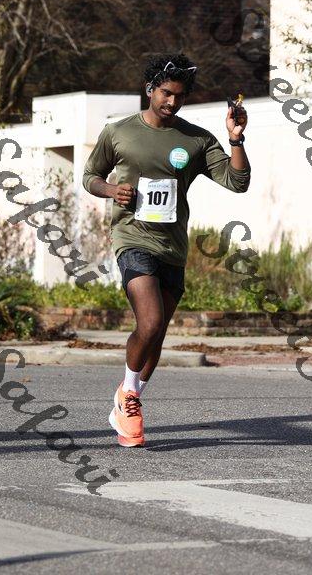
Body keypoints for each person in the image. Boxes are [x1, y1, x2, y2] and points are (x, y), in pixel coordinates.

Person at [83, 52, 251, 447]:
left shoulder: (196, 139)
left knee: (156, 336)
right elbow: (90, 176)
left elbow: (238, 182)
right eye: (165, 93)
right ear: (150, 89)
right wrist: (111, 190)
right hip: (132, 238)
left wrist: (236, 138)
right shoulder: (118, 132)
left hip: (172, 246)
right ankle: (127, 394)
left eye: (179, 96)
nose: (172, 102)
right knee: (151, 321)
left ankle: (130, 399)